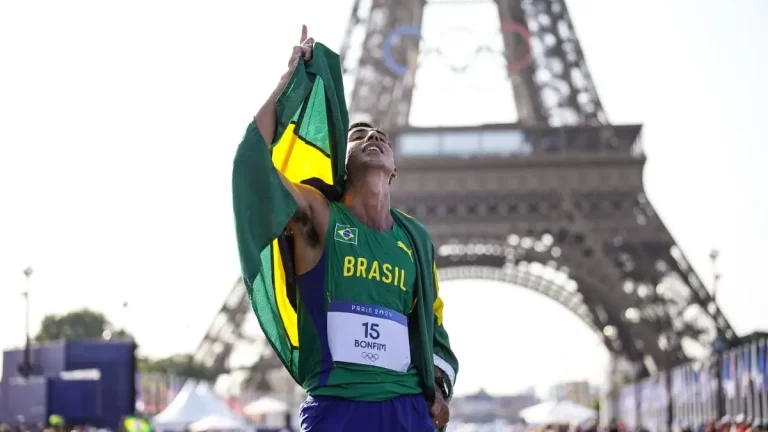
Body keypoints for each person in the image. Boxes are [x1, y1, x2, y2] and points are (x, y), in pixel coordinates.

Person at [238, 25, 458, 431]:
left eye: (382, 137)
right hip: (339, 407)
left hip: (406, 407)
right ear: (343, 161)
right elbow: (255, 164)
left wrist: (440, 386)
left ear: (394, 171)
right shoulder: (319, 215)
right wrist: (289, 86)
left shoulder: (416, 239)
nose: (373, 136)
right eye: (359, 136)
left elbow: (431, 321)